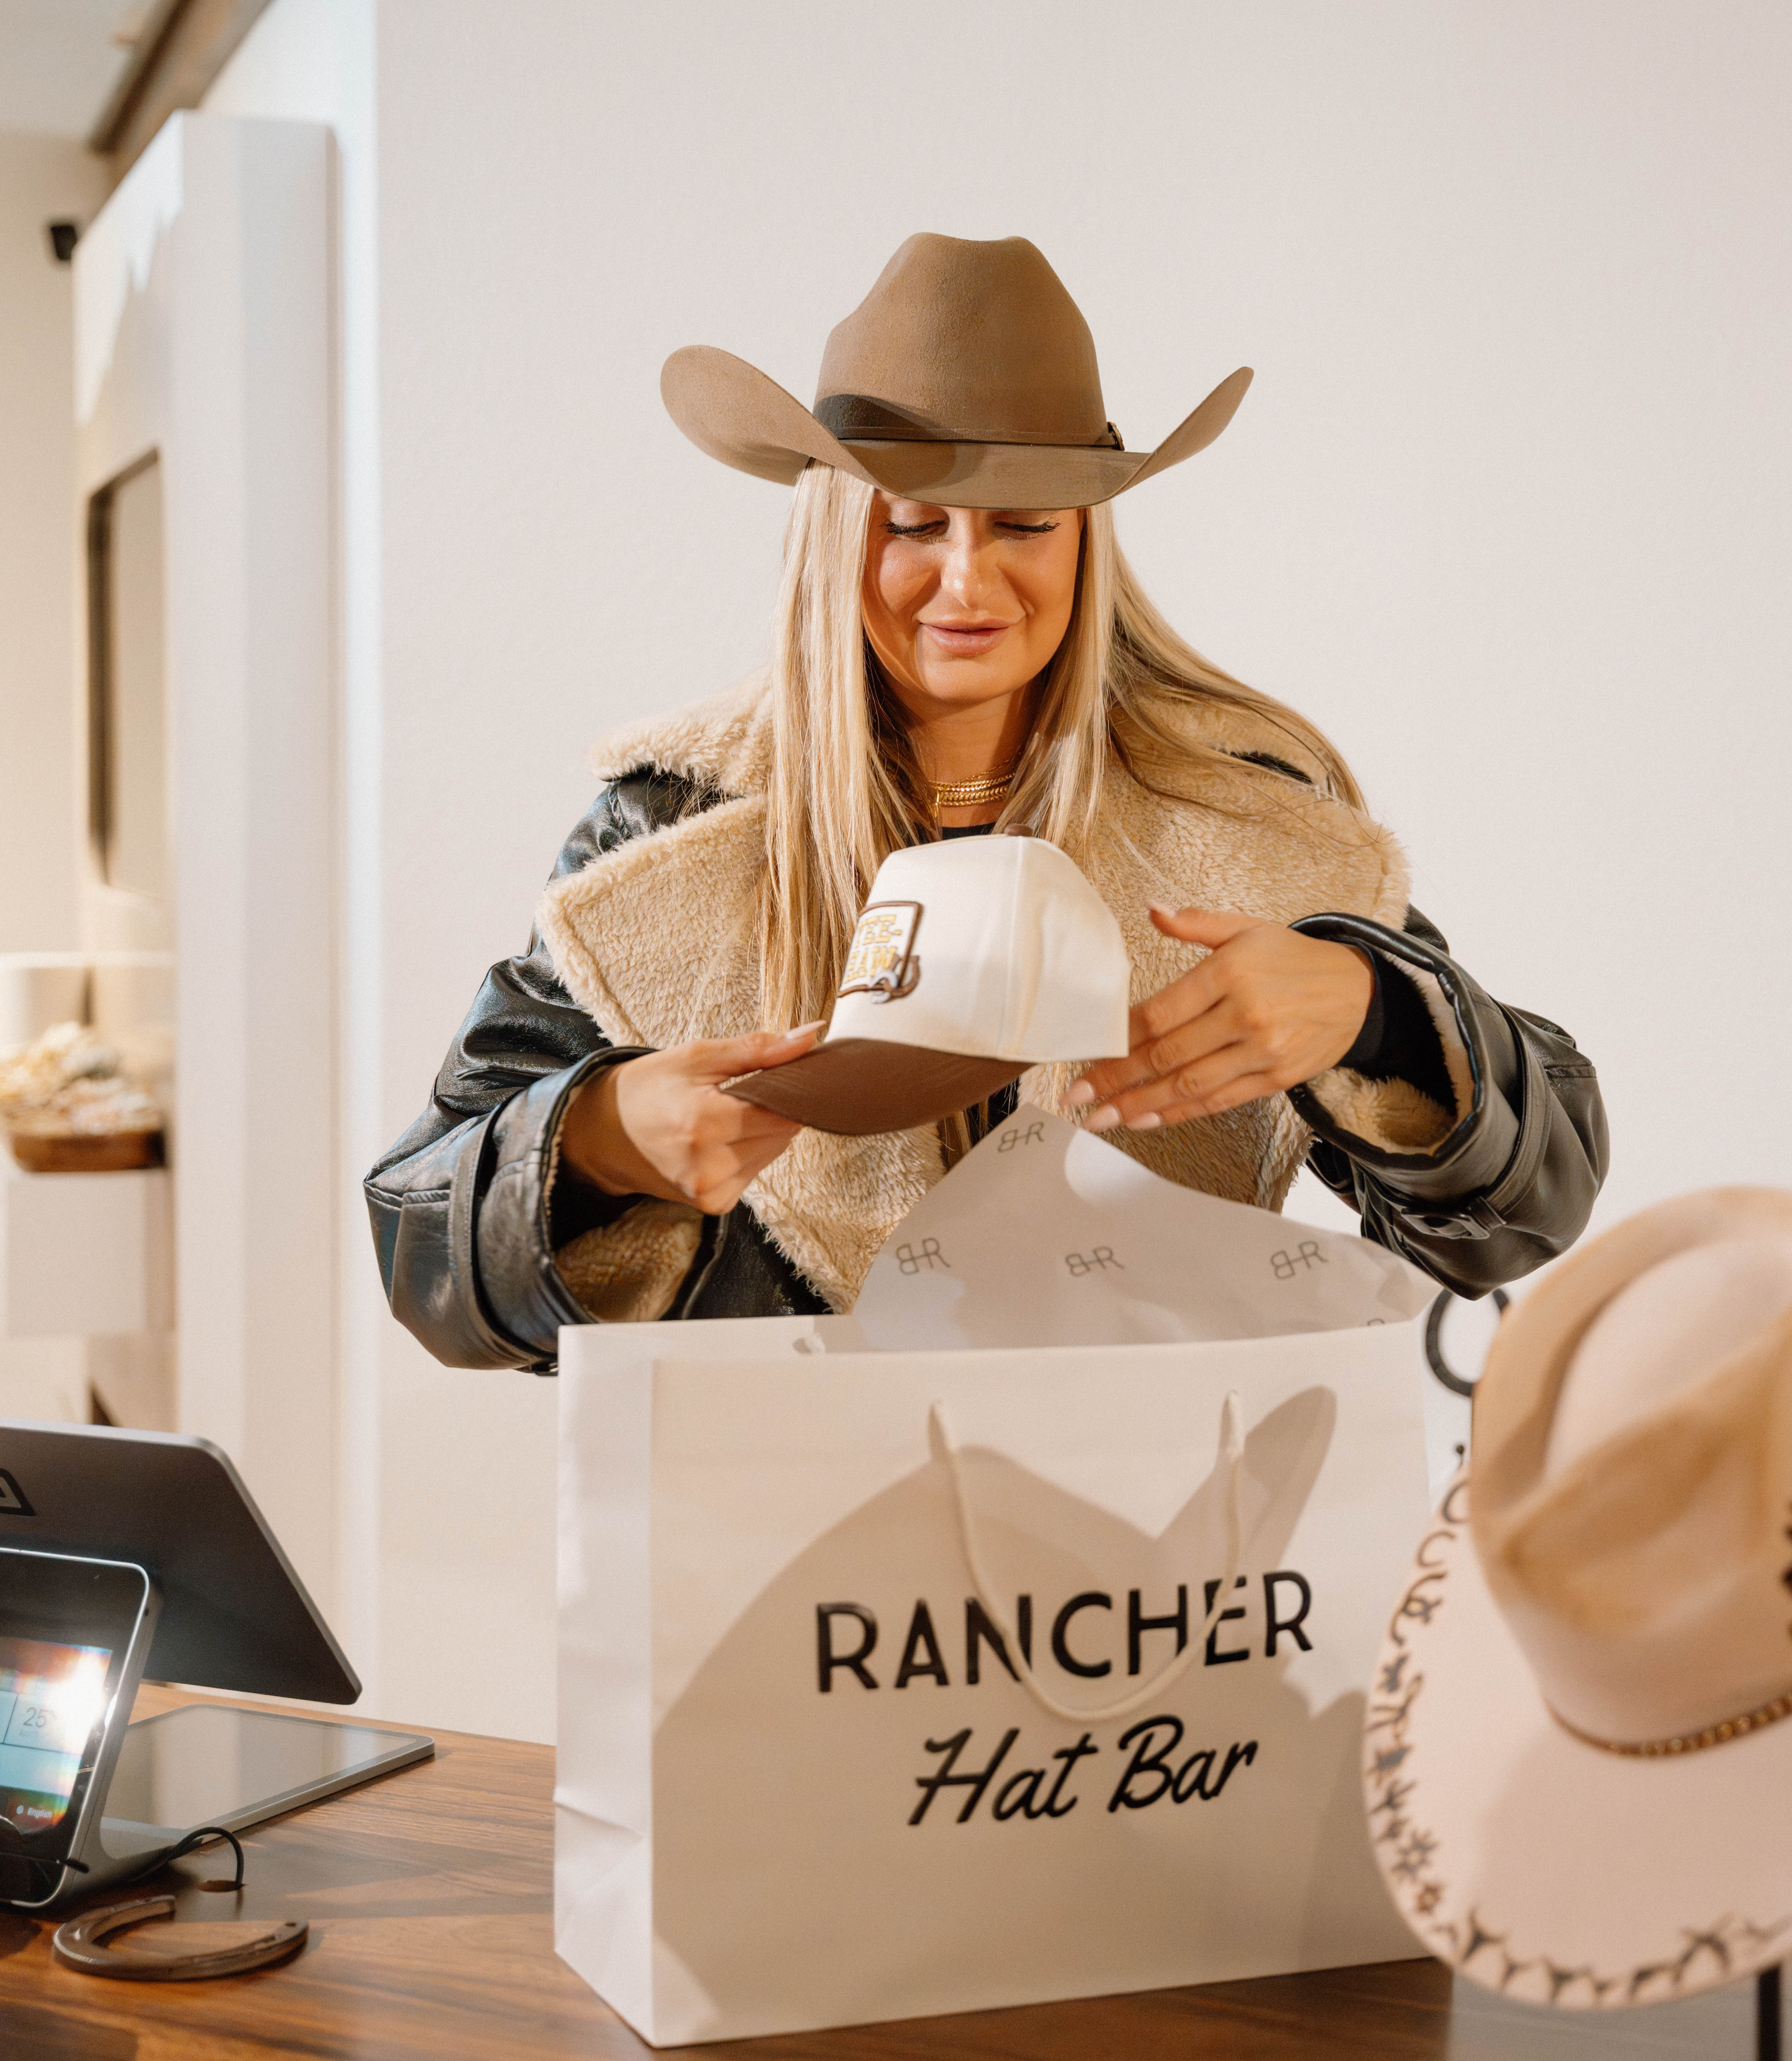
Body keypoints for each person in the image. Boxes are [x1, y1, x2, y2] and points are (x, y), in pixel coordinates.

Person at [367, 236, 1607, 1367]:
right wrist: (593, 1139)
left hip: (1150, 1559)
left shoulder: (1244, 823)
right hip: (799, 1560)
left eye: (1024, 524)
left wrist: (1375, 1014)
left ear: (1087, 538)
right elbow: (420, 1246)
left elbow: (1525, 1216)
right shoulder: (668, 835)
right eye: (913, 524)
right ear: (834, 536)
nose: (969, 581)